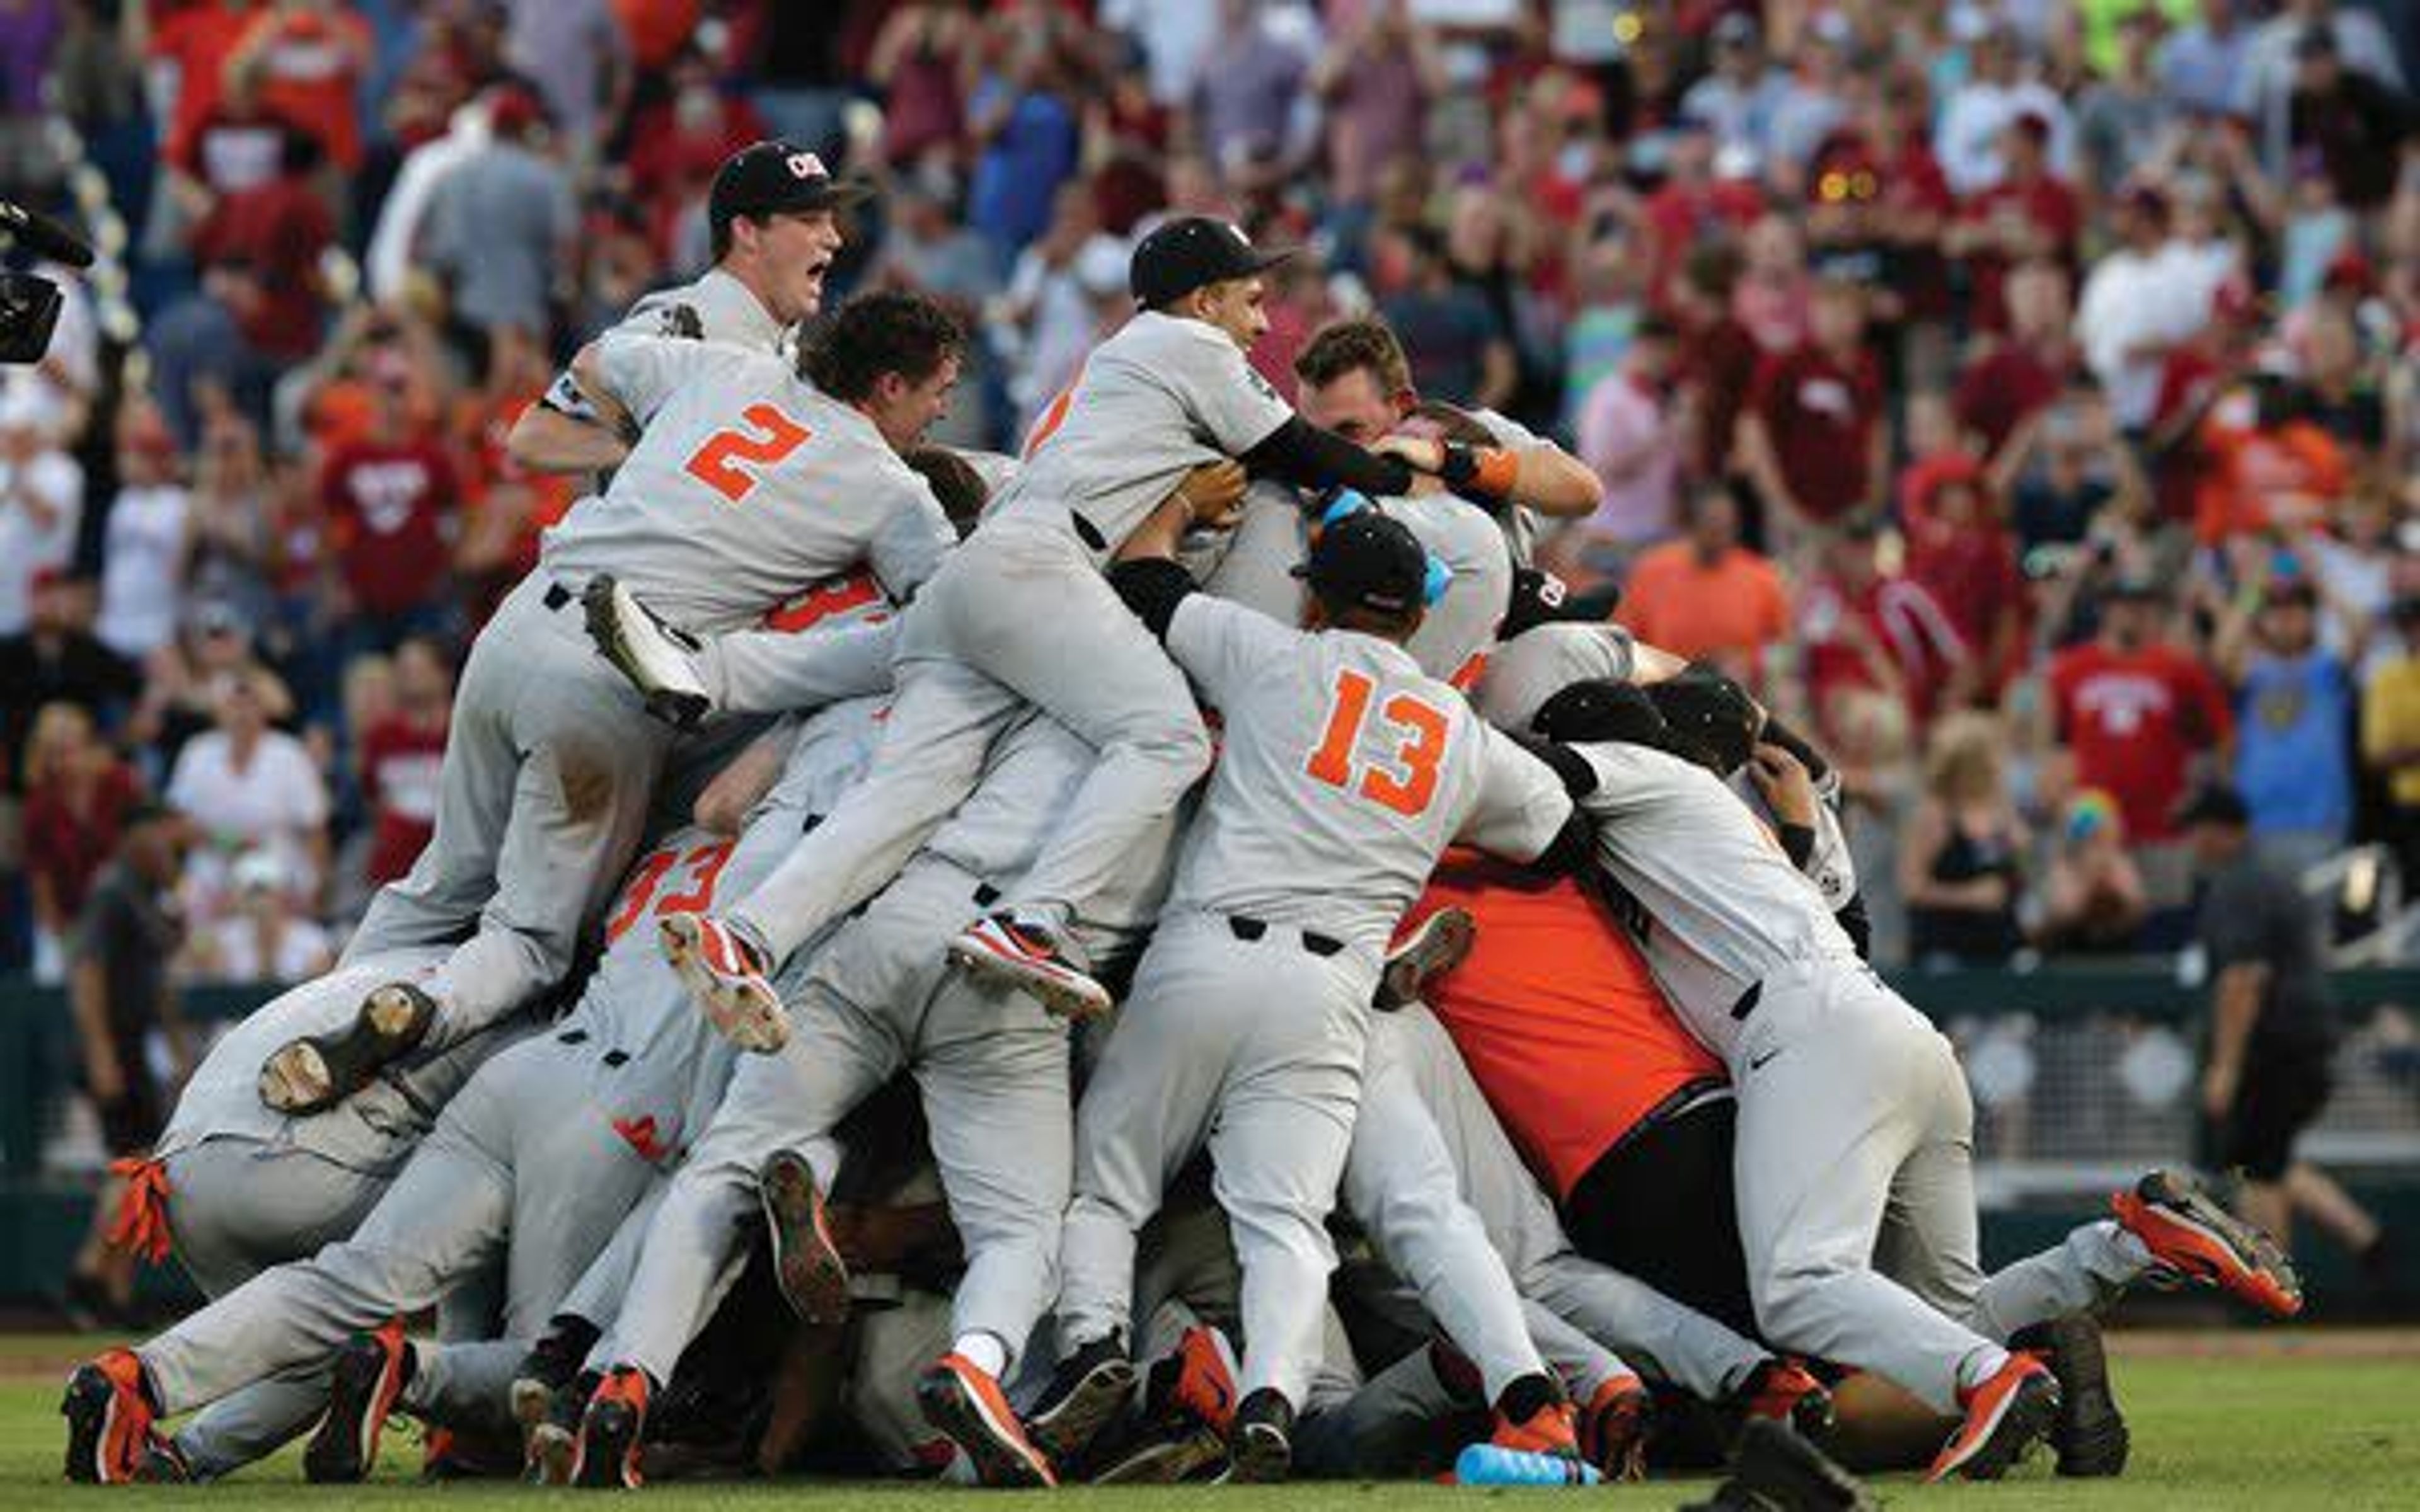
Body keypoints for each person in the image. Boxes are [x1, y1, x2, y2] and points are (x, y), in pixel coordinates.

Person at [667, 217, 1450, 1036]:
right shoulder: (1188, 345)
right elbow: (1316, 457)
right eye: (1249, 300)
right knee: (1167, 739)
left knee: (905, 791)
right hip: (1042, 567)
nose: (1261, 323)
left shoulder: (1128, 359)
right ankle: (1032, 920)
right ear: (1204, 298)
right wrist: (1426, 462)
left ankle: (745, 933)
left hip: (978, 574)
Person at [309, 291, 960, 1119]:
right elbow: (952, 618)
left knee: (435, 886)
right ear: (890, 386)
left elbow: (594, 359)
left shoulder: (729, 371)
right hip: (617, 675)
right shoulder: (890, 488)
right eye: (938, 388)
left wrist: (650, 447)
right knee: (529, 941)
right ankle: (425, 1012)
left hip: (519, 624)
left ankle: (308, 1028)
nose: (944, 408)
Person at [1030, 508, 1578, 1484]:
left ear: (1314, 596)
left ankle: (1089, 1348)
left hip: (1207, 949)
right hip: (1334, 982)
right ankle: (1273, 1395)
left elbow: (1149, 584)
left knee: (1110, 1182)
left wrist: (1177, 506)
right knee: (1284, 1216)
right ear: (1417, 617)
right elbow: (1556, 825)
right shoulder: (1457, 734)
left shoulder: (1273, 655)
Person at [509, 139, 867, 478]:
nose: (834, 238)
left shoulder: (793, 344)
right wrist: (660, 454)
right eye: (810, 220)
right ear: (747, 232)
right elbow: (535, 438)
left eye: (831, 220)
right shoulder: (684, 322)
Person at [2179, 784, 2388, 1281]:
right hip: (2306, 1037)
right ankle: (2370, 1241)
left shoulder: (2238, 883)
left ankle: (2274, 1292)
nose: (2193, 840)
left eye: (2199, 829)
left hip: (2274, 1043)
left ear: (2222, 831)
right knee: (2271, 1155)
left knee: (2255, 1168)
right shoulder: (2270, 875)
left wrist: (2225, 1067)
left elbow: (2243, 979)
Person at [63, 803, 193, 1329]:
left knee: (142, 1166)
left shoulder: (143, 895)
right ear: (137, 840)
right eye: (162, 842)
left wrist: (178, 1048)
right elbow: (86, 970)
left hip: (134, 1046)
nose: (170, 853)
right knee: (135, 1162)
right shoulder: (112, 890)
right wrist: (100, 1052)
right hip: (111, 1044)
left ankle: (114, 1294)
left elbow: (159, 974)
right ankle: (91, 1271)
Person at [1616, 482, 1791, 687]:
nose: (1718, 536)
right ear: (1693, 525)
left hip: (1739, 697)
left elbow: (1780, 648)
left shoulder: (1760, 576)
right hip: (1669, 694)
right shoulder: (1652, 572)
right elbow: (1629, 646)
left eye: (1726, 527)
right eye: (1711, 526)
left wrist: (1757, 668)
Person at [1899, 713, 2027, 968]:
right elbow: (1912, 889)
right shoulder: (1936, 816)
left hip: (2001, 946)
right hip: (1947, 950)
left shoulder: (2002, 810)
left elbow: (2017, 872)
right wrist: (1970, 896)